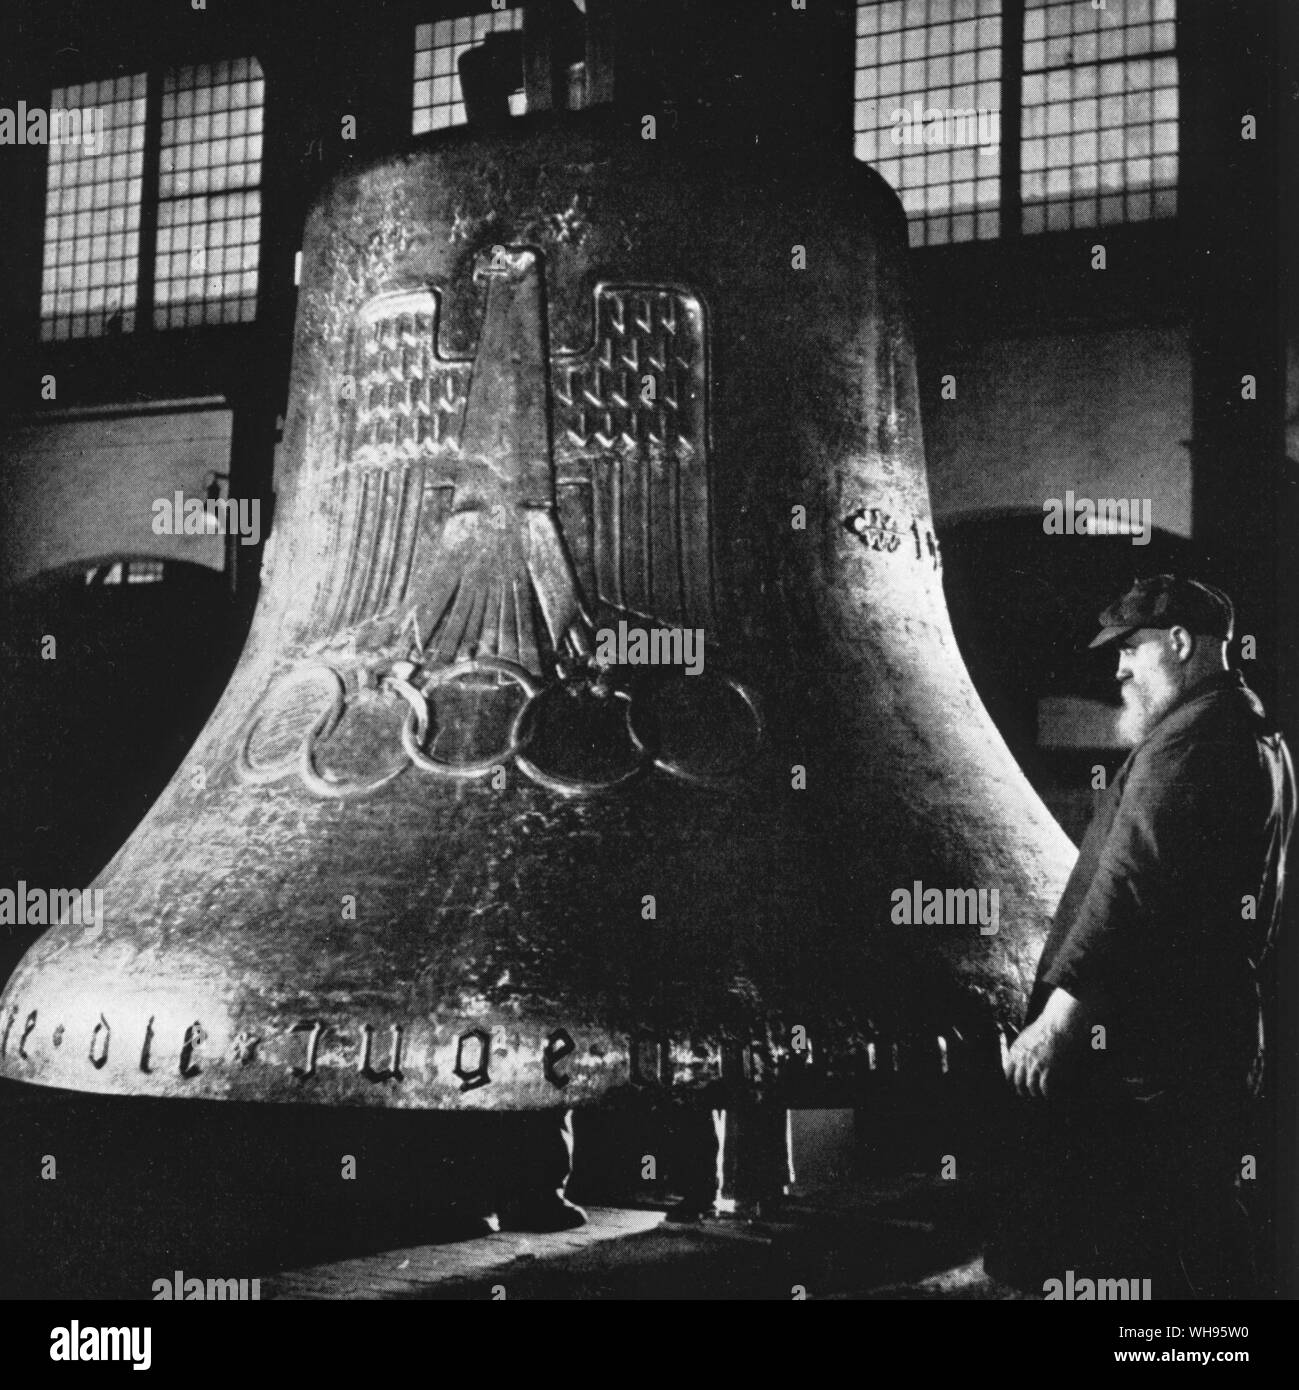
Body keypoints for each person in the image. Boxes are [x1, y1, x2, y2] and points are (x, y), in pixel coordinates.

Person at [987, 575, 1294, 1298]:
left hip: (1155, 1046)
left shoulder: (1192, 738)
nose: (1117, 668)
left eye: (1131, 648)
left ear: (1180, 643)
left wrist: (1058, 1021)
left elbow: (1133, 881)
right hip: (1202, 1037)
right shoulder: (1246, 730)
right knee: (1190, 1229)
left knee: (1143, 1243)